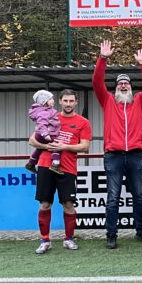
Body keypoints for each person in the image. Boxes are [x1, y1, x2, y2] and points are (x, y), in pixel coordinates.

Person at [93, 39, 142, 249]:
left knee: (139, 195)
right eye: (120, 83)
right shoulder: (107, 101)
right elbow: (96, 82)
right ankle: (111, 234)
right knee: (113, 197)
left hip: (135, 156)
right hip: (113, 156)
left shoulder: (139, 101)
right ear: (116, 88)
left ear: (130, 88)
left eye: (126, 83)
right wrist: (103, 59)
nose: (123, 85)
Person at [30, 89, 92, 254]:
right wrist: (46, 146)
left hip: (67, 168)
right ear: (60, 101)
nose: (68, 104)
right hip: (45, 165)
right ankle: (44, 241)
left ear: (76, 102)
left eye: (71, 101)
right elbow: (32, 140)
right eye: (65, 101)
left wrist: (64, 147)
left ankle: (69, 239)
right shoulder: (50, 115)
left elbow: (85, 146)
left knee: (68, 204)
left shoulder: (83, 122)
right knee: (45, 204)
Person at [26, 90, 63, 173]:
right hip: (45, 134)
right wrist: (45, 134)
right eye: (50, 99)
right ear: (44, 101)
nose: (53, 100)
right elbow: (41, 124)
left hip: (40, 135)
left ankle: (31, 163)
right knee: (57, 146)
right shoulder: (44, 112)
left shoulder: (46, 111)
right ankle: (55, 164)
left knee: (39, 148)